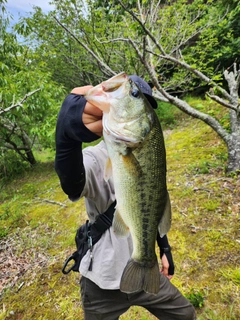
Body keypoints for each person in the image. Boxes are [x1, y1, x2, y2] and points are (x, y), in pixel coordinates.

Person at [55, 75, 196, 320]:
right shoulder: (95, 158)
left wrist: (164, 248)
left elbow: (152, 203)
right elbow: (72, 183)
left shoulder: (151, 156)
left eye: (135, 98)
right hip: (102, 281)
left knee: (185, 315)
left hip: (146, 270)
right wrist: (66, 139)